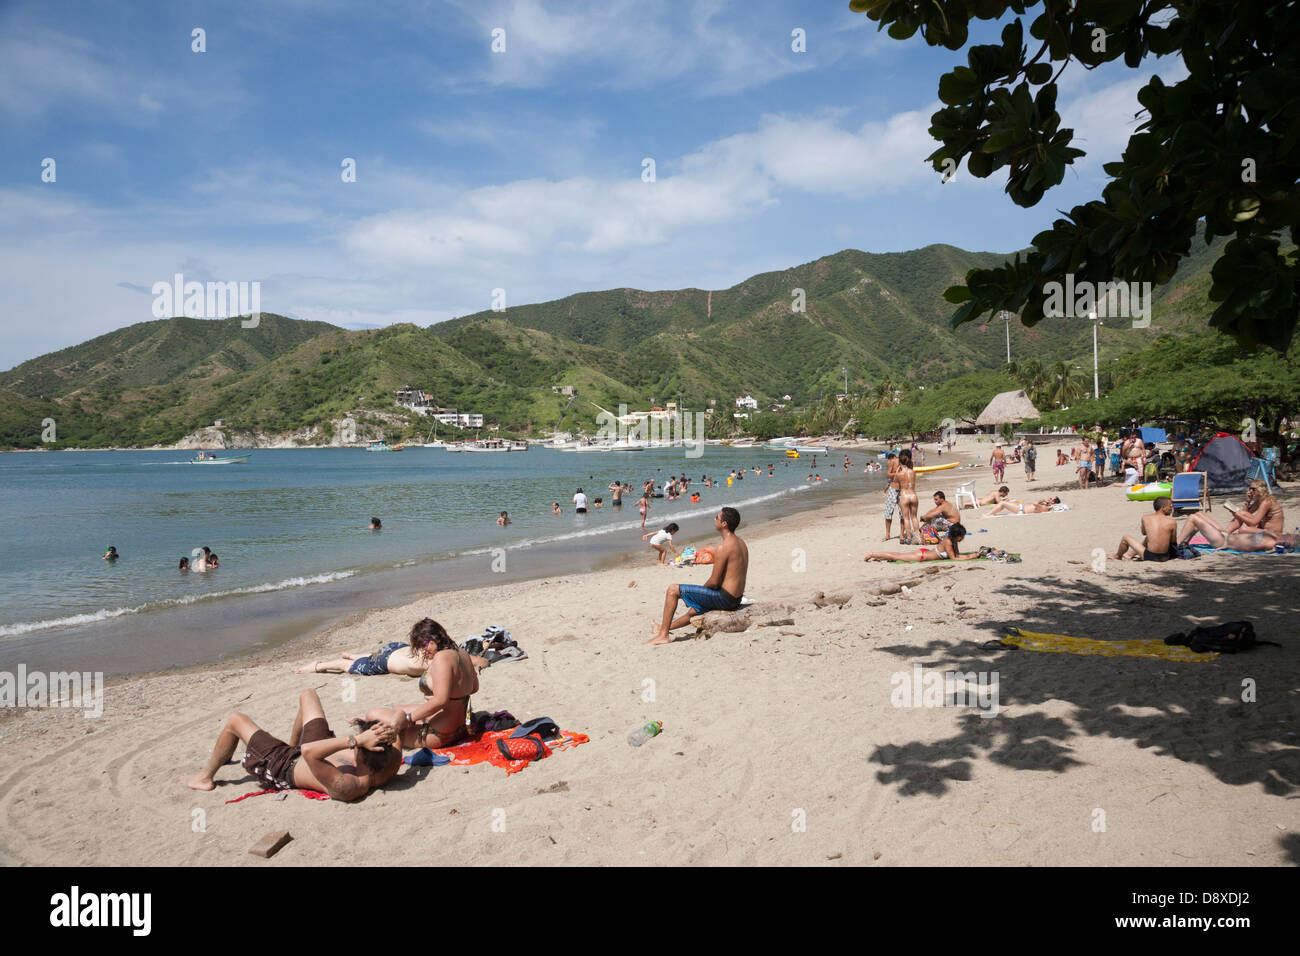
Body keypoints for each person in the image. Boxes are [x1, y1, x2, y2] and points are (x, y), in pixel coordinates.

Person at [185, 689, 401, 801]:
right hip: (312, 750)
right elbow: (398, 724)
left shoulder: (349, 785)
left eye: (356, 745)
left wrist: (355, 739)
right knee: (308, 695)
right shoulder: (390, 763)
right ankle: (286, 745)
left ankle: (204, 778)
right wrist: (388, 729)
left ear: (360, 754)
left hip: (285, 765)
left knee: (235, 720)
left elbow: (308, 752)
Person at [355, 618, 481, 750]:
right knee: (399, 708)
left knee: (372, 715)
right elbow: (474, 688)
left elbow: (440, 701)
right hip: (465, 724)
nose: (422, 650)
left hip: (441, 734)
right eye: (419, 646)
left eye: (424, 644)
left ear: (436, 638)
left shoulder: (441, 658)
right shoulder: (463, 654)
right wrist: (454, 696)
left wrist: (409, 719)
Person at [647, 508, 747, 645]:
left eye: (717, 518)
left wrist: (700, 593)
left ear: (724, 524)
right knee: (693, 611)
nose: (714, 520)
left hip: (725, 599)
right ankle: (662, 628)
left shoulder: (724, 547)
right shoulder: (741, 543)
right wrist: (701, 596)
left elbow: (714, 580)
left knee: (672, 590)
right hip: (736, 599)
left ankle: (663, 635)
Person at [1177, 515, 1298, 554]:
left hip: (1223, 541)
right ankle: (1184, 543)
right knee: (1199, 514)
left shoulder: (1270, 543)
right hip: (1226, 535)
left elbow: (1246, 546)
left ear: (1288, 542)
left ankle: (1176, 545)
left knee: (1193, 519)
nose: (1289, 533)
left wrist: (1226, 547)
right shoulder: (1270, 535)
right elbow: (1244, 530)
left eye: (1291, 535)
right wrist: (1266, 532)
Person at [864, 523, 979, 562]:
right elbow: (954, 558)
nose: (962, 538)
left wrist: (972, 555)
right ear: (957, 535)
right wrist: (971, 557)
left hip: (926, 553)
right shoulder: (948, 542)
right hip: (922, 556)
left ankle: (877, 556)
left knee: (898, 556)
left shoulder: (953, 541)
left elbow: (957, 555)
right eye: (962, 536)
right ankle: (872, 554)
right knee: (897, 556)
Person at [1113, 497, 1179, 561]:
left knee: (1125, 538)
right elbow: (1173, 541)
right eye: (1170, 506)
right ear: (1163, 508)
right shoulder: (1172, 521)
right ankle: (1130, 554)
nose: (1171, 508)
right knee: (1154, 536)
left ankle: (1118, 556)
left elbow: (1144, 533)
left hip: (1150, 556)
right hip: (1165, 556)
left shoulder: (1145, 518)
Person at [897, 450, 919, 545]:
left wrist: (898, 470)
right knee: (914, 517)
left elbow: (896, 483)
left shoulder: (899, 474)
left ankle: (909, 538)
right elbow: (910, 470)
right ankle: (918, 537)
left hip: (905, 495)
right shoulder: (913, 472)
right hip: (913, 495)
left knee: (906, 518)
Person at [882, 452, 901, 542]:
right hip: (896, 489)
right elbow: (888, 474)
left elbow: (887, 475)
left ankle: (890, 534)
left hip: (899, 489)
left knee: (899, 513)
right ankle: (889, 534)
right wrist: (896, 474)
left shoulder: (893, 461)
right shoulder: (894, 462)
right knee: (891, 513)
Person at [985, 495, 1062, 515]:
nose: (1050, 498)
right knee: (1006, 502)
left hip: (1021, 510)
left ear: (1053, 502)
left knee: (1002, 503)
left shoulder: (1046, 507)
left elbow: (1035, 503)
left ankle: (989, 514)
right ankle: (992, 513)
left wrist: (1044, 500)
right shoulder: (1046, 505)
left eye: (1052, 499)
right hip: (1021, 507)